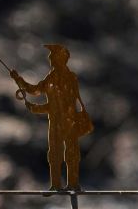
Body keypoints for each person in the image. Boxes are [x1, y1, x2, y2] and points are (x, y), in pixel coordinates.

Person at [10, 45, 92, 190]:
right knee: (54, 154)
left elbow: (61, 105)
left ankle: (73, 184)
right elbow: (35, 90)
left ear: (60, 59)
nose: (49, 59)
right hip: (55, 123)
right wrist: (19, 79)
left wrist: (36, 108)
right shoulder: (51, 77)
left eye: (52, 56)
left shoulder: (69, 78)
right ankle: (56, 185)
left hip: (69, 122)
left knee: (71, 154)